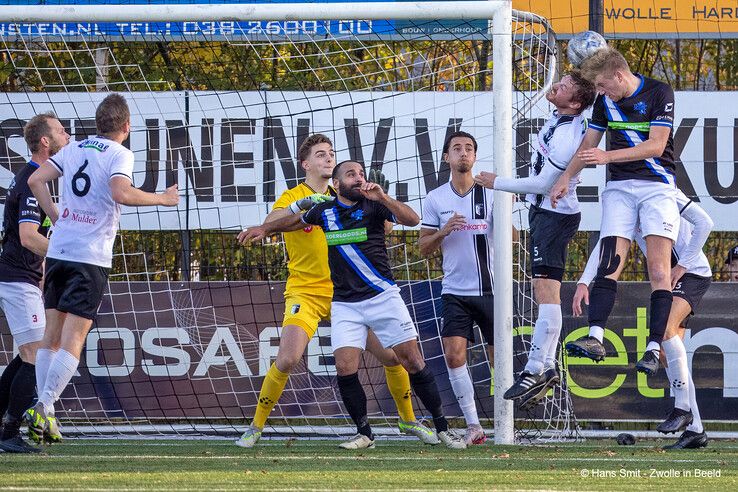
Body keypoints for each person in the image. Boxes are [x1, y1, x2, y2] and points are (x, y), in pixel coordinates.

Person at [241, 160, 466, 450]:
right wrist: (264, 228)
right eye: (351, 174)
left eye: (361, 173)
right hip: (344, 303)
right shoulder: (323, 211)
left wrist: (383, 196)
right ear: (337, 185)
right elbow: (291, 222)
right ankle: (365, 434)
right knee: (344, 366)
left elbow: (412, 220)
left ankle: (441, 427)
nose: (359, 178)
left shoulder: (374, 206)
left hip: (382, 297)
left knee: (409, 359)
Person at [23, 94, 179, 443]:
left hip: (60, 250)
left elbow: (36, 181)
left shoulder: (74, 148)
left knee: (51, 335)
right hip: (89, 256)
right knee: (73, 339)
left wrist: (54, 215)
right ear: (126, 126)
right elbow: (121, 193)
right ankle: (42, 406)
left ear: (98, 122)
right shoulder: (120, 153)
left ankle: (44, 413)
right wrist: (163, 199)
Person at [550, 47, 680, 376]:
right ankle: (596, 337)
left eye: (605, 87)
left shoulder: (659, 92)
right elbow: (587, 146)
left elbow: (656, 145)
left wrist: (607, 158)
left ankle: (653, 347)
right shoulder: (604, 101)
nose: (602, 94)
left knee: (659, 271)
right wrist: (566, 177)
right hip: (619, 189)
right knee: (609, 263)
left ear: (619, 76)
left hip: (657, 187)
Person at [474, 73, 596, 409]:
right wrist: (560, 87)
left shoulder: (569, 133)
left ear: (575, 102)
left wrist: (497, 182)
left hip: (555, 215)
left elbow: (544, 184)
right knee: (543, 292)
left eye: (566, 85)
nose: (557, 85)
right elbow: (554, 93)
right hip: (545, 214)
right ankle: (547, 368)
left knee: (547, 296)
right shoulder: (562, 117)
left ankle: (535, 368)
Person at [573, 190, 712, 449]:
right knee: (664, 353)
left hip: (693, 273)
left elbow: (705, 222)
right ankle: (696, 430)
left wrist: (683, 265)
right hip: (669, 280)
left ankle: (683, 410)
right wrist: (583, 281)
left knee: (666, 331)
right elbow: (606, 243)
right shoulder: (624, 200)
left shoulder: (664, 191)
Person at [417, 131, 492, 445]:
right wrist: (443, 231)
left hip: (492, 290)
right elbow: (422, 247)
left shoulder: (491, 192)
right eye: (457, 148)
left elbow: (514, 239)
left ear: (474, 157)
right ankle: (474, 426)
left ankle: (505, 422)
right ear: (446, 157)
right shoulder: (436, 198)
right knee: (454, 355)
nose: (464, 153)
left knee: (499, 359)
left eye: (469, 148)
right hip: (455, 291)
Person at [0, 113, 69, 453]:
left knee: (28, 354)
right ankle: (10, 432)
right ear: (45, 142)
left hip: (21, 278)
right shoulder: (30, 182)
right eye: (60, 130)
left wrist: (43, 275)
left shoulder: (33, 179)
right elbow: (29, 238)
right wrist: (65, 255)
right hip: (15, 279)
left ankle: (5, 425)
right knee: (35, 354)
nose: (66, 134)